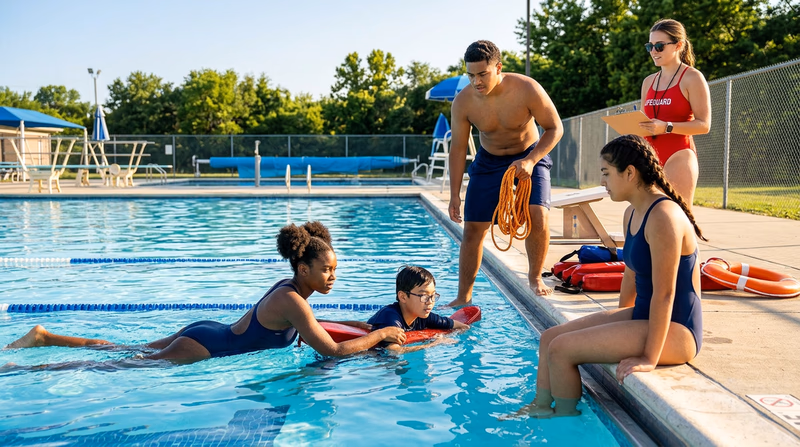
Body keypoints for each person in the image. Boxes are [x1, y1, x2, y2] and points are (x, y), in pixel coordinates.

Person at [4, 221, 406, 362]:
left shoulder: (293, 293)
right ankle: (34, 367)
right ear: (304, 268)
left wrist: (363, 325)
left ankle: (44, 337)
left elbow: (318, 326)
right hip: (203, 346)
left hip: (206, 330)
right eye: (327, 270)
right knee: (115, 364)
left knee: (120, 349)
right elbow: (331, 349)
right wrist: (382, 334)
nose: (333, 276)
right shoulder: (291, 299)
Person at [514, 135, 705, 418]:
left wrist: (648, 358)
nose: (602, 181)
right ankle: (540, 408)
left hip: (677, 331)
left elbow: (666, 294)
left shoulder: (664, 216)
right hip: (644, 316)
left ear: (629, 172)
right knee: (549, 339)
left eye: (606, 173)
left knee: (563, 349)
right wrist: (617, 319)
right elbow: (631, 272)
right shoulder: (632, 213)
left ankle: (564, 422)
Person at [447, 40, 563, 305]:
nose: (476, 81)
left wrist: (531, 161)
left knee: (538, 214)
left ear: (498, 68)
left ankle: (535, 278)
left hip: (530, 152)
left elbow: (555, 128)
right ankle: (463, 296)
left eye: (483, 74)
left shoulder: (527, 88)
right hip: (489, 161)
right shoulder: (463, 103)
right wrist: (455, 195)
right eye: (471, 75)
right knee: (473, 228)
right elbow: (458, 149)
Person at [639, 18, 711, 208]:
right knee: (649, 218)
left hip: (678, 155)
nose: (653, 51)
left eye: (660, 46)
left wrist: (666, 127)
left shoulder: (692, 77)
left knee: (677, 218)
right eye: (650, 46)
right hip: (649, 157)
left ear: (678, 45)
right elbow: (645, 120)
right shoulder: (648, 82)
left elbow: (704, 125)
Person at [368, 265, 470, 353]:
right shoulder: (390, 317)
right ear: (403, 297)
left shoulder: (423, 316)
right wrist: (432, 344)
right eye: (424, 296)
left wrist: (455, 335)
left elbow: (461, 326)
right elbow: (393, 351)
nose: (430, 301)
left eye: (433, 296)